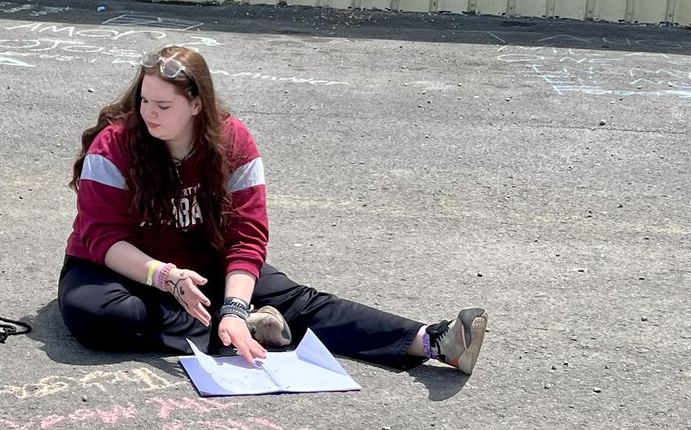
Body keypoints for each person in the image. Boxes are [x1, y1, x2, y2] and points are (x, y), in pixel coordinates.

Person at [58, 45, 487, 373]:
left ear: (196, 105)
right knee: (96, 314)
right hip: (124, 269)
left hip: (204, 262)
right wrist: (166, 277)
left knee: (300, 302)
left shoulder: (233, 142)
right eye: (144, 101)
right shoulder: (114, 145)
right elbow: (103, 238)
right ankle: (232, 334)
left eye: (163, 106)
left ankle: (433, 342)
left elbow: (247, 236)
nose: (148, 113)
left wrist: (234, 307)